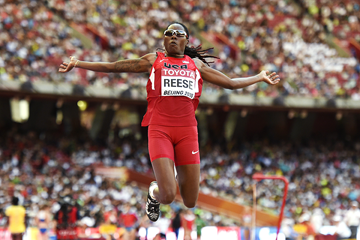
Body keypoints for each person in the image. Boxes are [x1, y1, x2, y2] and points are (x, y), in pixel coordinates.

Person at [59, 22, 280, 222]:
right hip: (160, 130)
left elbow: (231, 83)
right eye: (169, 34)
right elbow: (113, 66)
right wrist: (78, 63)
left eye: (179, 34)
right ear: (164, 40)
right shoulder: (153, 60)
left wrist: (259, 77)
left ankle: (165, 187)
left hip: (187, 133)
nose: (173, 37)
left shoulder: (196, 65)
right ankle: (153, 192)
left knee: (191, 200)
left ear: (186, 41)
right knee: (167, 195)